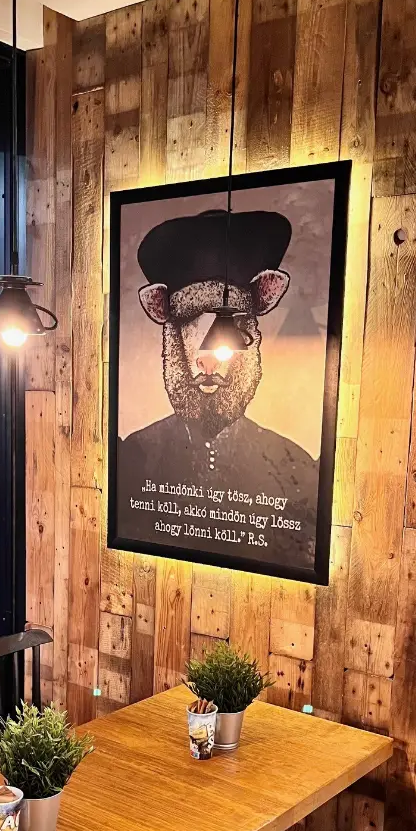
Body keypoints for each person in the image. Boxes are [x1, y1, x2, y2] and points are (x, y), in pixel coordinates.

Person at [116, 207, 319, 570]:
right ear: (172, 335)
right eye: (188, 323)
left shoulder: (296, 469)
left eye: (229, 325)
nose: (207, 360)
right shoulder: (133, 457)